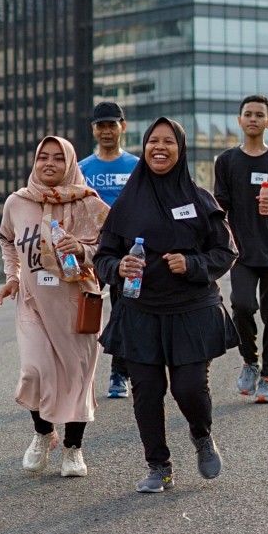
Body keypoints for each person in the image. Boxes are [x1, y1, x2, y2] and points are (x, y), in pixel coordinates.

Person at [94, 119, 238, 493]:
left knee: (189, 388)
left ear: (181, 149)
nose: (160, 147)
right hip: (140, 311)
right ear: (144, 148)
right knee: (146, 389)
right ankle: (159, 466)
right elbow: (103, 257)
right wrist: (118, 267)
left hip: (192, 309)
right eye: (153, 141)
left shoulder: (200, 199)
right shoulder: (126, 203)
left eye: (168, 141)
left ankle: (201, 435)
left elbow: (226, 251)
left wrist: (192, 264)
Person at [0, 136, 108, 479]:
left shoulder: (90, 204)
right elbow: (6, 239)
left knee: (77, 377)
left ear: (70, 164)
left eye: (59, 158)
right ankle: (44, 433)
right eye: (43, 157)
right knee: (34, 370)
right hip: (33, 303)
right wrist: (12, 276)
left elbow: (112, 247)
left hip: (77, 302)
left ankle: (73, 448)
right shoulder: (18, 202)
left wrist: (83, 250)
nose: (50, 164)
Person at [212, 96, 268, 404]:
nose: (253, 119)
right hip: (241, 249)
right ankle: (250, 361)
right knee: (242, 305)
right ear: (239, 120)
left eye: (259, 115)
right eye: (247, 114)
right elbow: (219, 205)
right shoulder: (226, 161)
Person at [79, 101, 139, 398]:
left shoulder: (136, 166)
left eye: (111, 125)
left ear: (122, 127)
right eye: (100, 126)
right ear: (93, 129)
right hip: (89, 247)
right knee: (80, 312)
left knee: (123, 310)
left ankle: (119, 372)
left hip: (124, 250)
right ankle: (78, 375)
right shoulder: (81, 168)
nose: (106, 131)